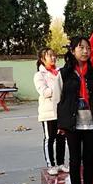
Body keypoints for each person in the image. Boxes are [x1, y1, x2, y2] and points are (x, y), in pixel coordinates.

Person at [55, 37, 93, 184]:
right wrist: (60, 124)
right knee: (75, 161)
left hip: (91, 123)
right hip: (72, 124)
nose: (85, 51)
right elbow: (58, 100)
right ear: (72, 51)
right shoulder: (63, 74)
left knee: (89, 160)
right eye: (81, 48)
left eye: (88, 48)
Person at [33, 47, 68, 176]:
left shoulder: (59, 72)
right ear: (42, 59)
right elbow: (44, 92)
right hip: (48, 113)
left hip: (61, 111)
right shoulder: (39, 75)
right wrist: (58, 88)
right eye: (49, 56)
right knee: (50, 138)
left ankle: (60, 163)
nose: (53, 58)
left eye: (54, 55)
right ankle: (50, 165)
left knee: (61, 138)